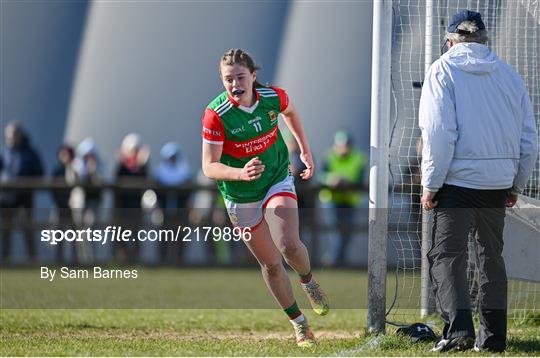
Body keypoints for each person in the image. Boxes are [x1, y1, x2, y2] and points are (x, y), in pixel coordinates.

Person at [419, 10, 538, 353]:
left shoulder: (442, 69)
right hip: (497, 183)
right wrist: (516, 183)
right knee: (491, 259)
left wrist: (431, 182)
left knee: (446, 257)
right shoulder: (510, 75)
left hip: (456, 181)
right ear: (485, 39)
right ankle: (493, 339)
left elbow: (439, 133)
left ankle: (458, 333)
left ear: (450, 39)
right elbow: (529, 138)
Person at [201, 48, 329, 347]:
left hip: (275, 177)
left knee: (288, 244)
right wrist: (240, 174)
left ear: (253, 76)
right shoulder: (216, 115)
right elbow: (209, 166)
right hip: (239, 192)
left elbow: (292, 113)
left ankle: (309, 281)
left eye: (240, 77)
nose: (234, 85)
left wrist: (305, 149)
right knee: (271, 264)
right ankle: (300, 324)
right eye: (228, 79)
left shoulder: (272, 98)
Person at [319, 130, 367, 265]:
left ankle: (337, 259)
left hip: (350, 200)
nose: (343, 148)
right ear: (334, 145)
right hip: (331, 200)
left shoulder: (359, 158)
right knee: (336, 230)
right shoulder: (328, 157)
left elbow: (360, 180)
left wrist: (348, 183)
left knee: (348, 232)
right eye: (340, 145)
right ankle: (336, 260)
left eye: (346, 145)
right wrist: (330, 179)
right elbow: (320, 176)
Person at [0, 122, 44, 263]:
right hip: (6, 198)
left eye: (13, 135)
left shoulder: (30, 153)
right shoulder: (4, 153)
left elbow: (39, 173)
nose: (10, 138)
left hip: (25, 198)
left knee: (27, 228)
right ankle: (5, 260)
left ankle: (32, 259)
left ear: (19, 135)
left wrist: (27, 185)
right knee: (6, 230)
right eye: (8, 135)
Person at [154, 141, 191, 264]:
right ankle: (162, 261)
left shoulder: (184, 173)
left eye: (174, 157)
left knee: (180, 236)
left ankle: (180, 262)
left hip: (180, 211)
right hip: (164, 211)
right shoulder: (160, 175)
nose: (172, 160)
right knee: (164, 237)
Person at [51, 144, 77, 263]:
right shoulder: (57, 171)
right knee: (58, 235)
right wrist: (59, 202)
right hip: (60, 207)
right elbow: (53, 190)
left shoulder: (75, 171)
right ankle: (58, 260)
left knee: (73, 236)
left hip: (73, 208)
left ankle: (74, 260)